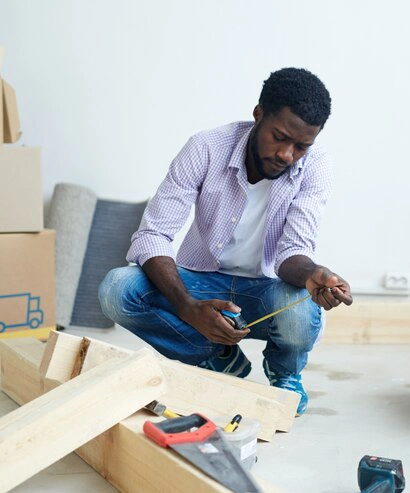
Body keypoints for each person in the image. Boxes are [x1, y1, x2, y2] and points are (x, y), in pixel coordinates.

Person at [98, 67, 352, 416]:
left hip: (267, 292)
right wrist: (187, 306)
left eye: (301, 146)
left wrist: (314, 273)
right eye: (279, 137)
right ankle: (215, 355)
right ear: (258, 114)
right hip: (202, 282)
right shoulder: (206, 147)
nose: (287, 155)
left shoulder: (317, 166)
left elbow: (293, 252)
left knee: (301, 309)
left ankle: (285, 374)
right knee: (117, 289)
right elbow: (154, 234)